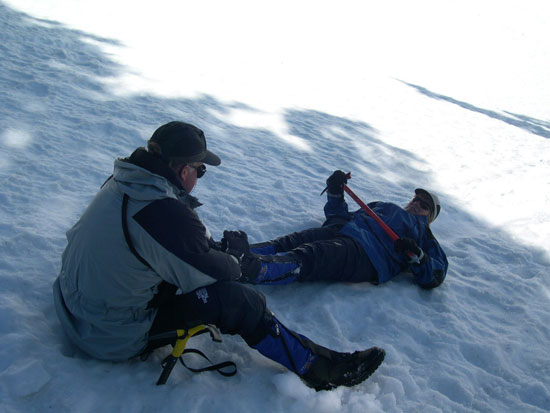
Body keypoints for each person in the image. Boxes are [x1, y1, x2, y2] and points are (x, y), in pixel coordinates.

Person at [52, 122, 385, 391]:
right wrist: (234, 260)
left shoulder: (127, 180)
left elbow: (179, 245)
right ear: (183, 170)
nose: (199, 176)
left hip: (75, 302)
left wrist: (216, 251)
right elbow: (218, 276)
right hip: (107, 334)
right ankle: (320, 368)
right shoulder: (160, 212)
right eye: (200, 169)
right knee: (240, 301)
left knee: (204, 268)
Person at [238, 170, 448, 289]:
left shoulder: (424, 236)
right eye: (416, 199)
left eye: (424, 205)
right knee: (292, 241)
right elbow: (340, 217)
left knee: (314, 256)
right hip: (343, 230)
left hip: (369, 254)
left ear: (430, 218)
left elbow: (434, 275)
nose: (416, 204)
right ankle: (235, 253)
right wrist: (335, 192)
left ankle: (253, 270)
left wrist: (418, 256)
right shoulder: (383, 206)